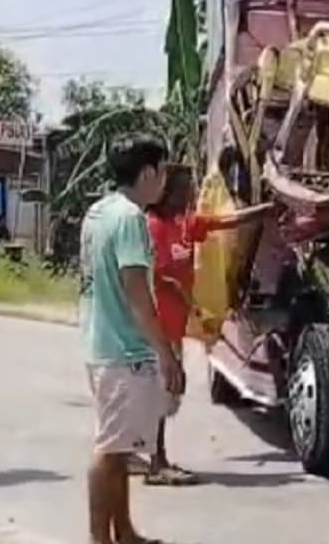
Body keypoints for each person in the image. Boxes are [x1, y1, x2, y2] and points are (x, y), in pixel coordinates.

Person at [139, 163, 271, 486]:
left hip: (175, 326)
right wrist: (188, 299)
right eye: (184, 189)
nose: (190, 195)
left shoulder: (185, 225)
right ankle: (156, 462)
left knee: (167, 394)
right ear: (166, 193)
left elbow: (221, 223)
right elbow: (158, 273)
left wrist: (263, 211)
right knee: (161, 392)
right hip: (158, 328)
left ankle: (147, 456)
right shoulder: (153, 226)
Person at [79, 133, 182, 544]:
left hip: (101, 342)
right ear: (148, 172)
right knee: (109, 450)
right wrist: (166, 353)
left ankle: (122, 531)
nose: (165, 183)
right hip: (124, 350)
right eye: (163, 172)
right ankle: (99, 538)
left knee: (120, 450)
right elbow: (137, 292)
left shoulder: (98, 212)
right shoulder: (130, 219)